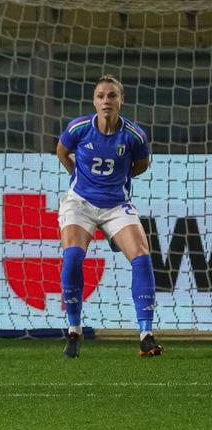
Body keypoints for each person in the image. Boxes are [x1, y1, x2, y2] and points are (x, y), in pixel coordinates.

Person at [57, 75, 162, 358]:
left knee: (141, 256)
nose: (106, 101)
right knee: (73, 257)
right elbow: (62, 151)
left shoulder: (134, 135)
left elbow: (141, 164)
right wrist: (79, 178)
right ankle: (74, 331)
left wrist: (118, 180)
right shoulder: (78, 128)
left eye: (112, 96)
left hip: (117, 204)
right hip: (81, 202)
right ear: (94, 101)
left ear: (120, 100)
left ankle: (146, 334)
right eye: (101, 96)